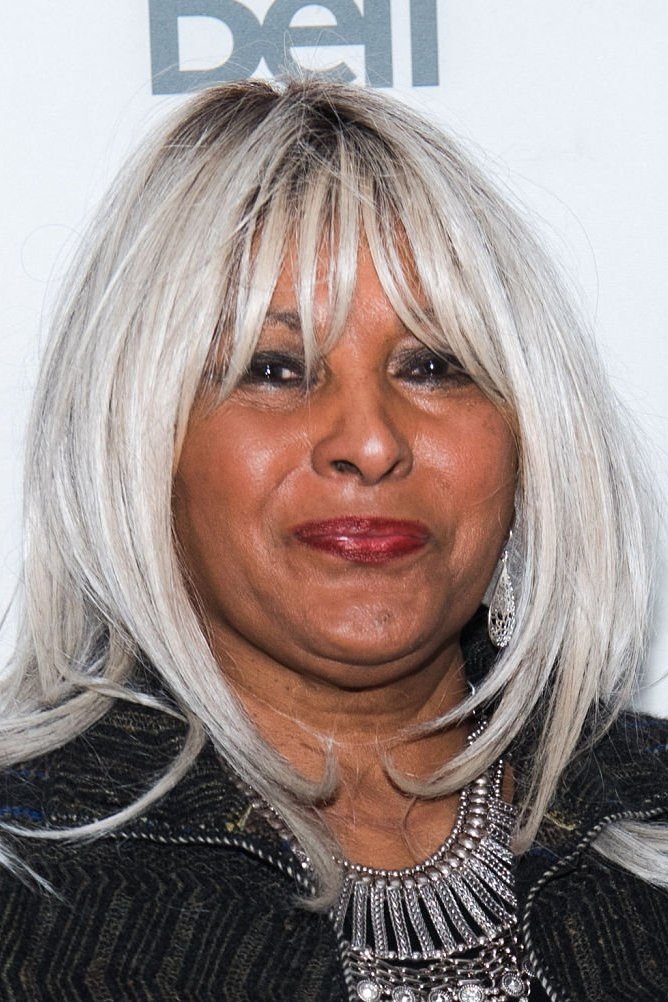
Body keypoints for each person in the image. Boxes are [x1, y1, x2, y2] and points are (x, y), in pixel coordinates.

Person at [0, 78, 666, 1002]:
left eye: (433, 366)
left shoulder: (647, 806)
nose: (372, 441)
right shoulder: (26, 889)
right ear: (140, 440)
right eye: (274, 370)